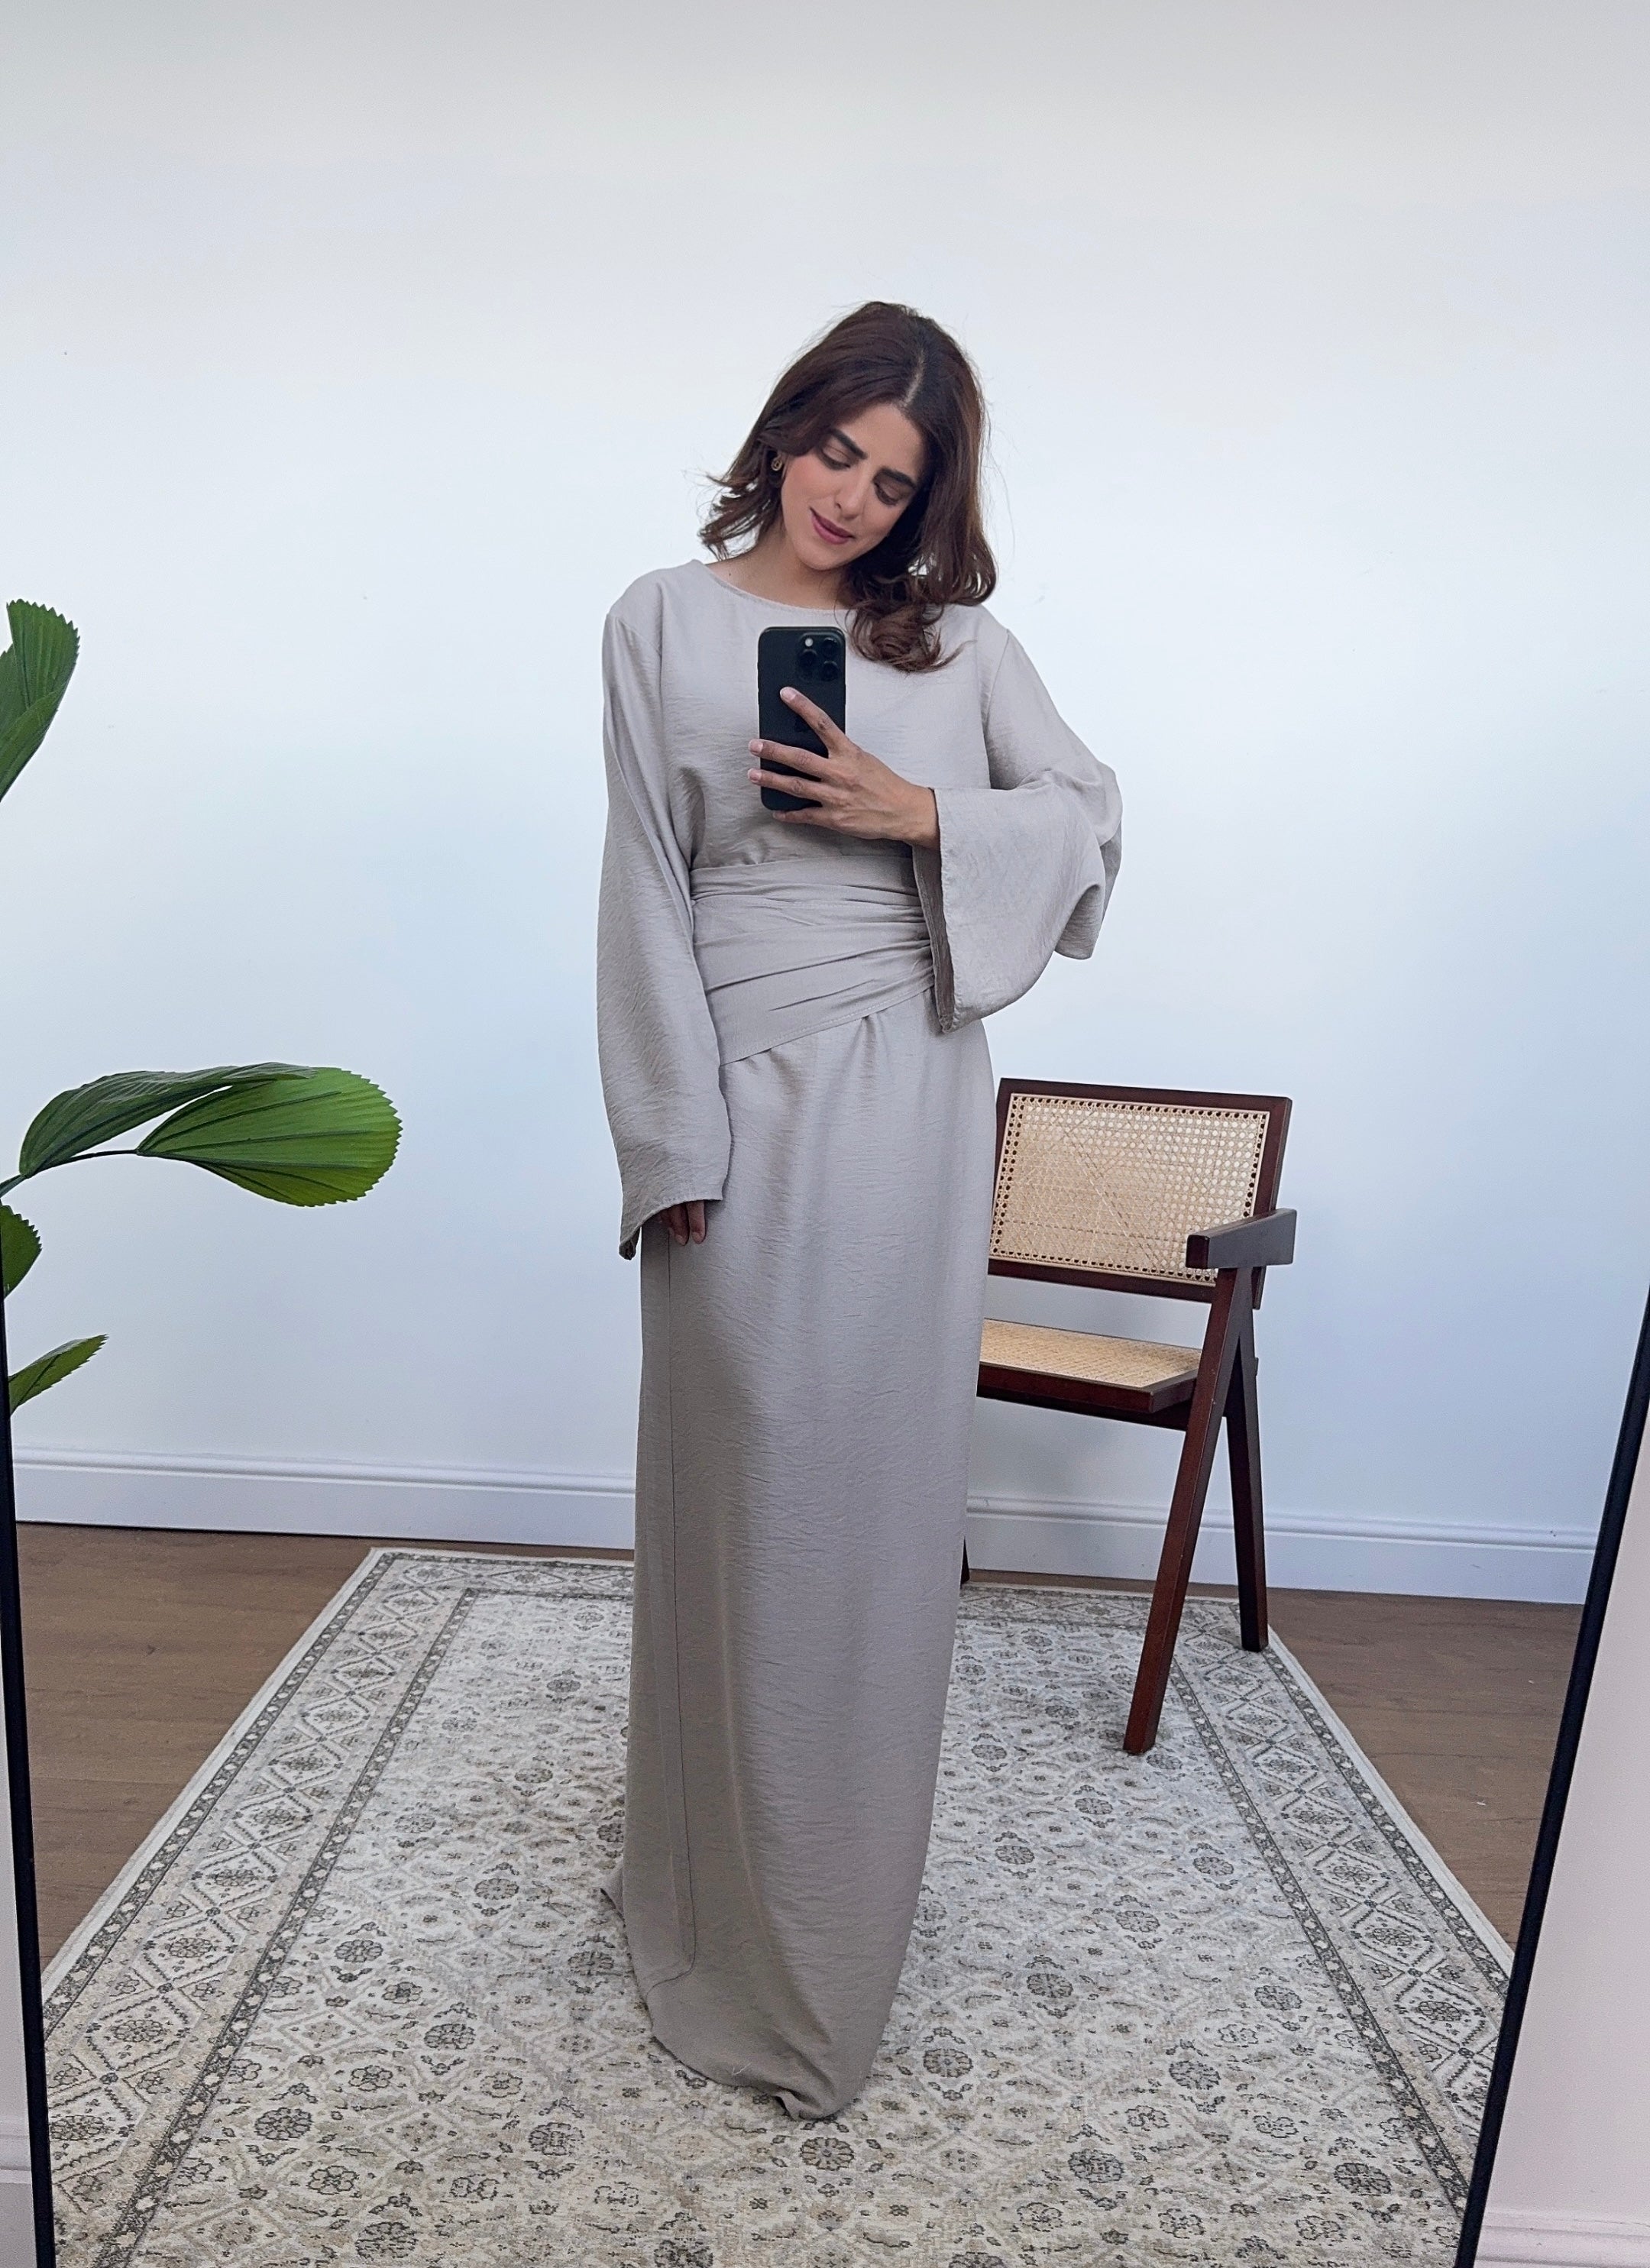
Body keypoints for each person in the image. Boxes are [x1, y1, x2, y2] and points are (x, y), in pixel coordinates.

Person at [596, 301, 1122, 2119]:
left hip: (905, 1094)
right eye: (836, 452)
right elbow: (643, 885)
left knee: (866, 1519)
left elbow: (1090, 817)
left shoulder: (960, 647)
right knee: (736, 1502)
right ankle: (700, 1891)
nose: (852, 498)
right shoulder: (658, 621)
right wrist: (671, 1141)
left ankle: (821, 1953)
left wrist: (924, 815)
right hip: (731, 1098)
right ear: (785, 432)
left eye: (895, 481)